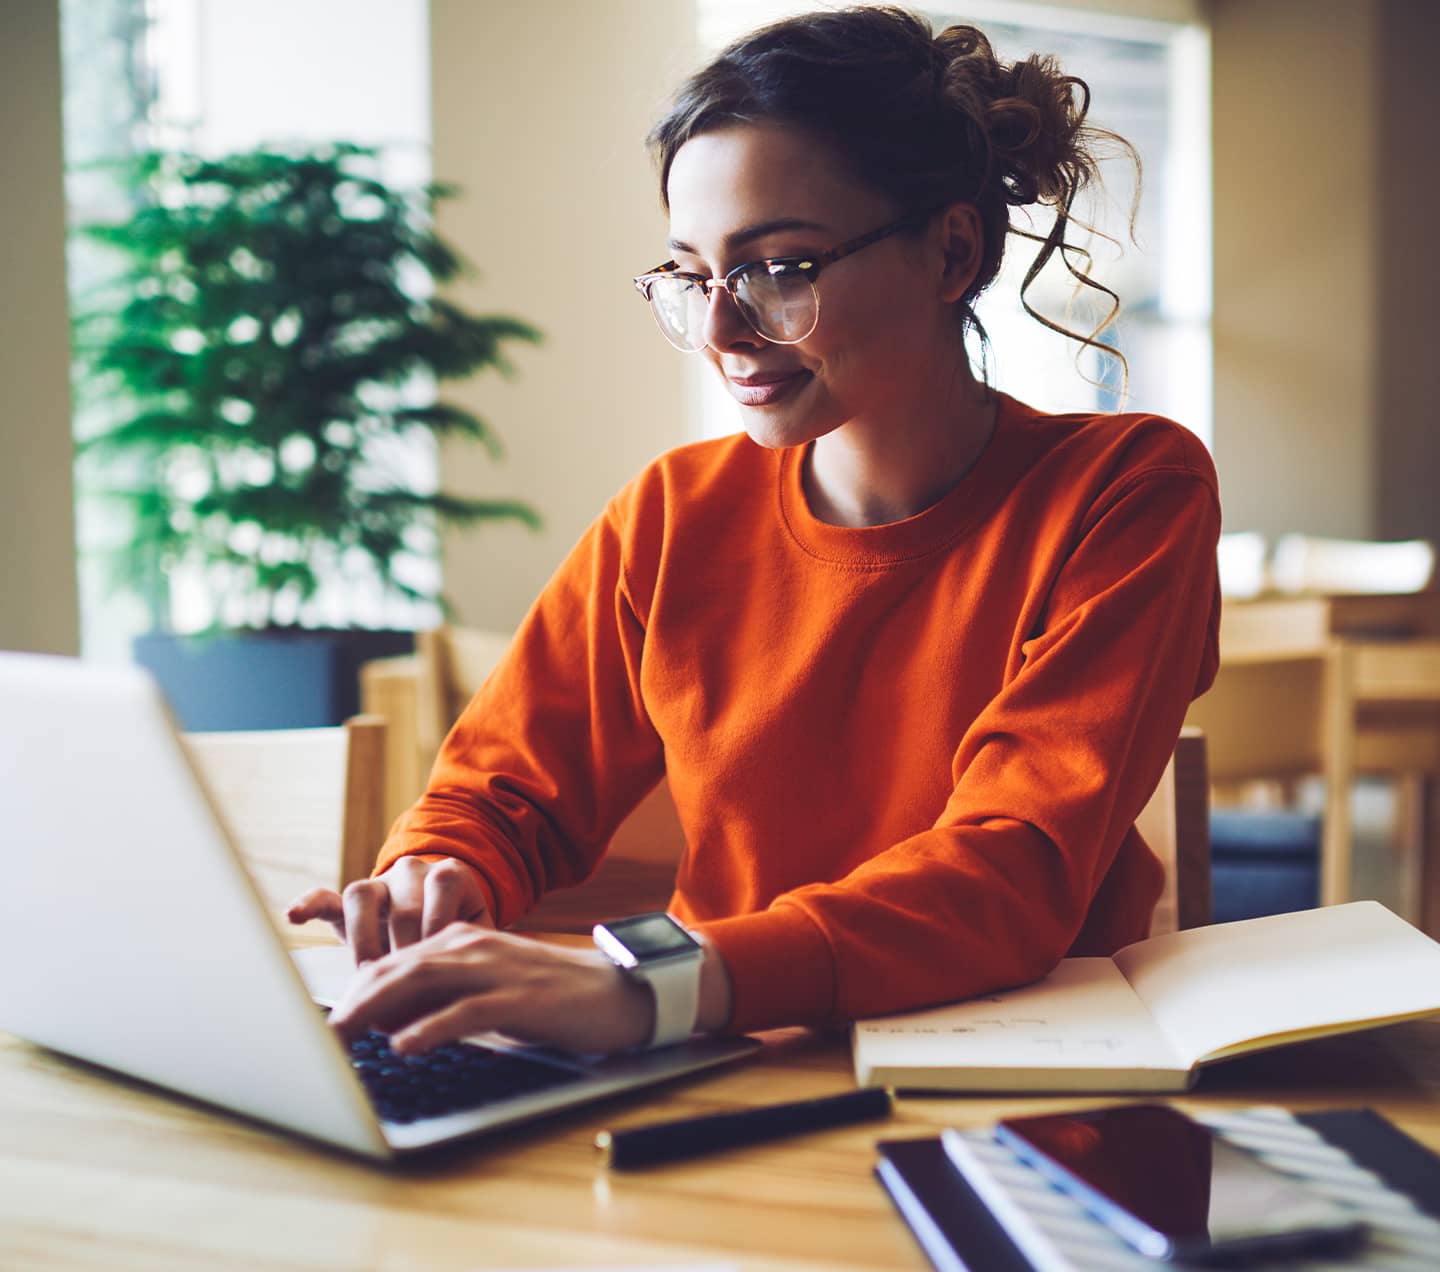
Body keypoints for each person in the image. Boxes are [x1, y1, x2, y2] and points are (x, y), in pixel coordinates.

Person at [290, 5, 1220, 1058]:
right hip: (726, 1063)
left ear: (952, 250)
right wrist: (438, 871)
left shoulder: (1127, 490)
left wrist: (650, 986)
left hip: (1023, 1082)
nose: (723, 330)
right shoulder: (671, 513)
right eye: (691, 273)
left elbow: (1007, 874)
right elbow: (499, 794)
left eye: (781, 268)